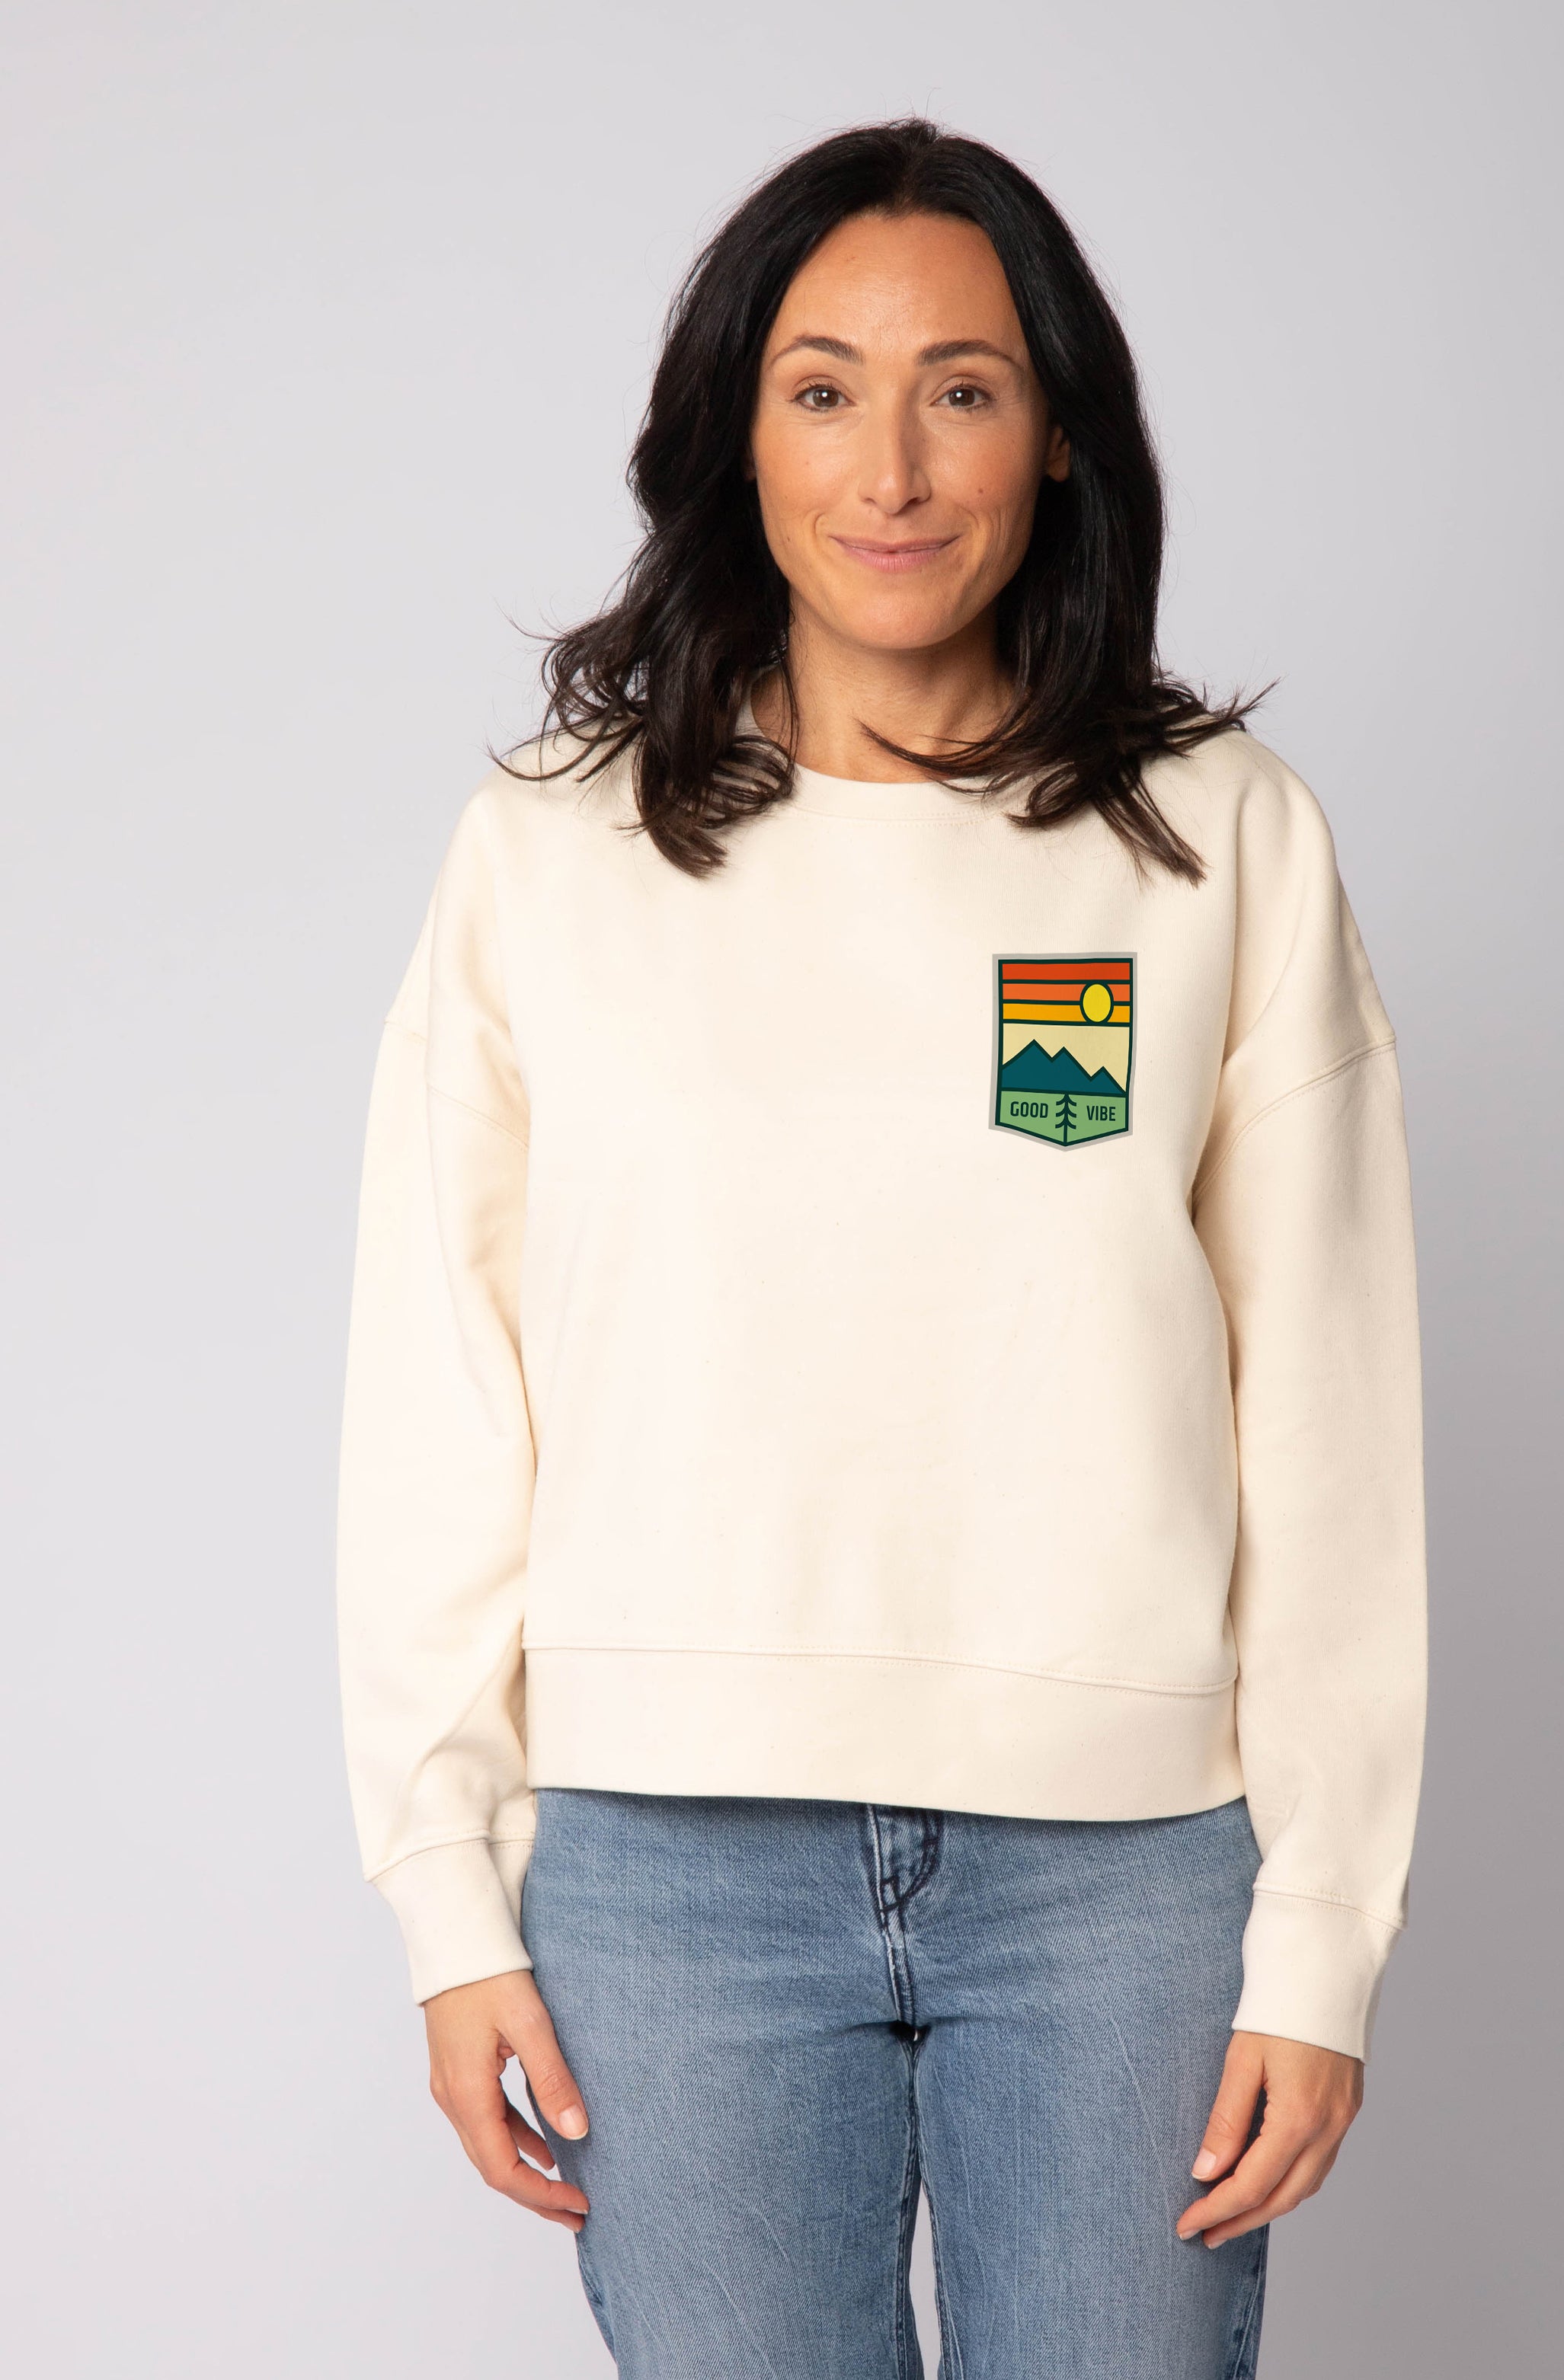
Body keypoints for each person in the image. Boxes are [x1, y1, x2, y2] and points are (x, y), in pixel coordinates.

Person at [337, 117, 1427, 2380]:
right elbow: (443, 1389)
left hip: (1124, 1880)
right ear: (736, 438)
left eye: (966, 388)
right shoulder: (553, 853)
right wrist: (447, 1889)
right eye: (824, 389)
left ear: (1059, 434)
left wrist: (1321, 1928)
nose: (895, 467)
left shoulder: (1217, 843)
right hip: (668, 1871)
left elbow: (1330, 1416)